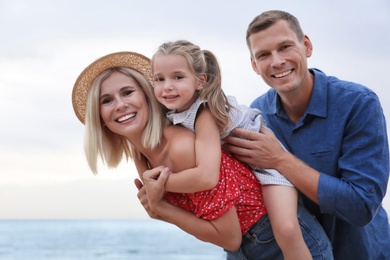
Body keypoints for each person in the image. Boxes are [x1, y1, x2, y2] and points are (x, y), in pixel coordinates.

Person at [71, 51, 333, 259]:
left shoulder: (182, 147)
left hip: (277, 242)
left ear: (147, 96)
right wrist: (159, 206)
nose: (120, 105)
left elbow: (228, 235)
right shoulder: (142, 156)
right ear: (100, 118)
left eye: (127, 92)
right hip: (244, 250)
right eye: (106, 100)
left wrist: (160, 206)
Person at [222, 10, 390, 260]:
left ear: (307, 46)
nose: (277, 61)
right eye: (264, 55)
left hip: (361, 253)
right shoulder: (255, 115)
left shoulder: (359, 103)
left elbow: (361, 207)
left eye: (285, 47)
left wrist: (279, 159)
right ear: (254, 65)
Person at [150, 39, 322, 259]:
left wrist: (160, 186)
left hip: (268, 168)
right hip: (250, 169)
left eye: (178, 77)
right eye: (159, 79)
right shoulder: (174, 116)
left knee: (287, 229)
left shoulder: (204, 113)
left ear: (201, 81)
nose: (167, 86)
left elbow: (207, 176)